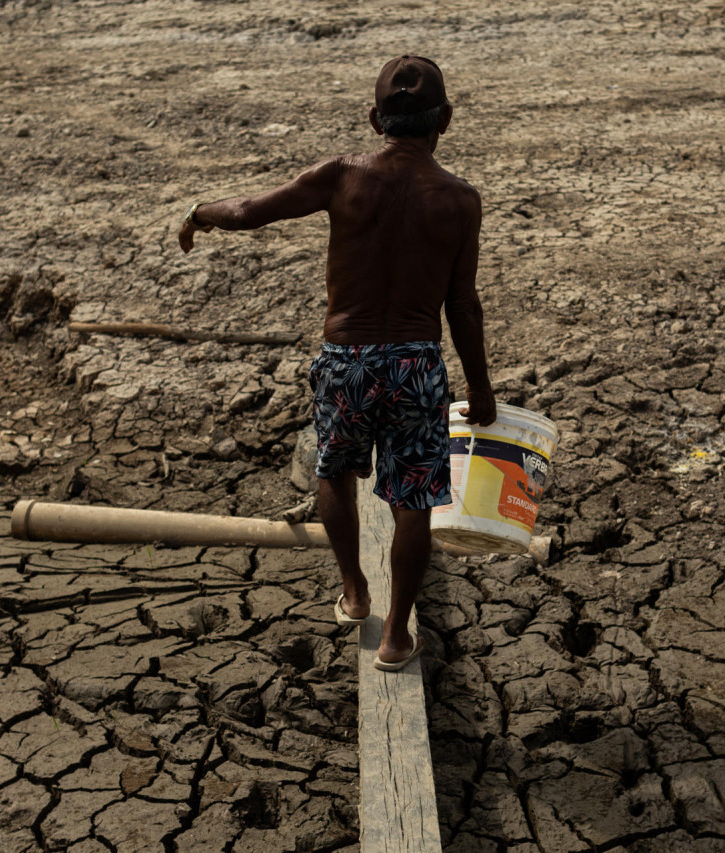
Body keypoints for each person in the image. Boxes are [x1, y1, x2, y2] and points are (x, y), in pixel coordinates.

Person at [178, 55, 496, 671]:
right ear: (447, 120)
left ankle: (354, 592)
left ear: (376, 120)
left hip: (346, 358)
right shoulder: (460, 200)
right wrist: (479, 387)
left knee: (335, 471)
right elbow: (462, 304)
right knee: (414, 499)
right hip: (414, 363)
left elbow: (246, 211)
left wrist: (198, 213)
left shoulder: (341, 175)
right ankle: (397, 636)